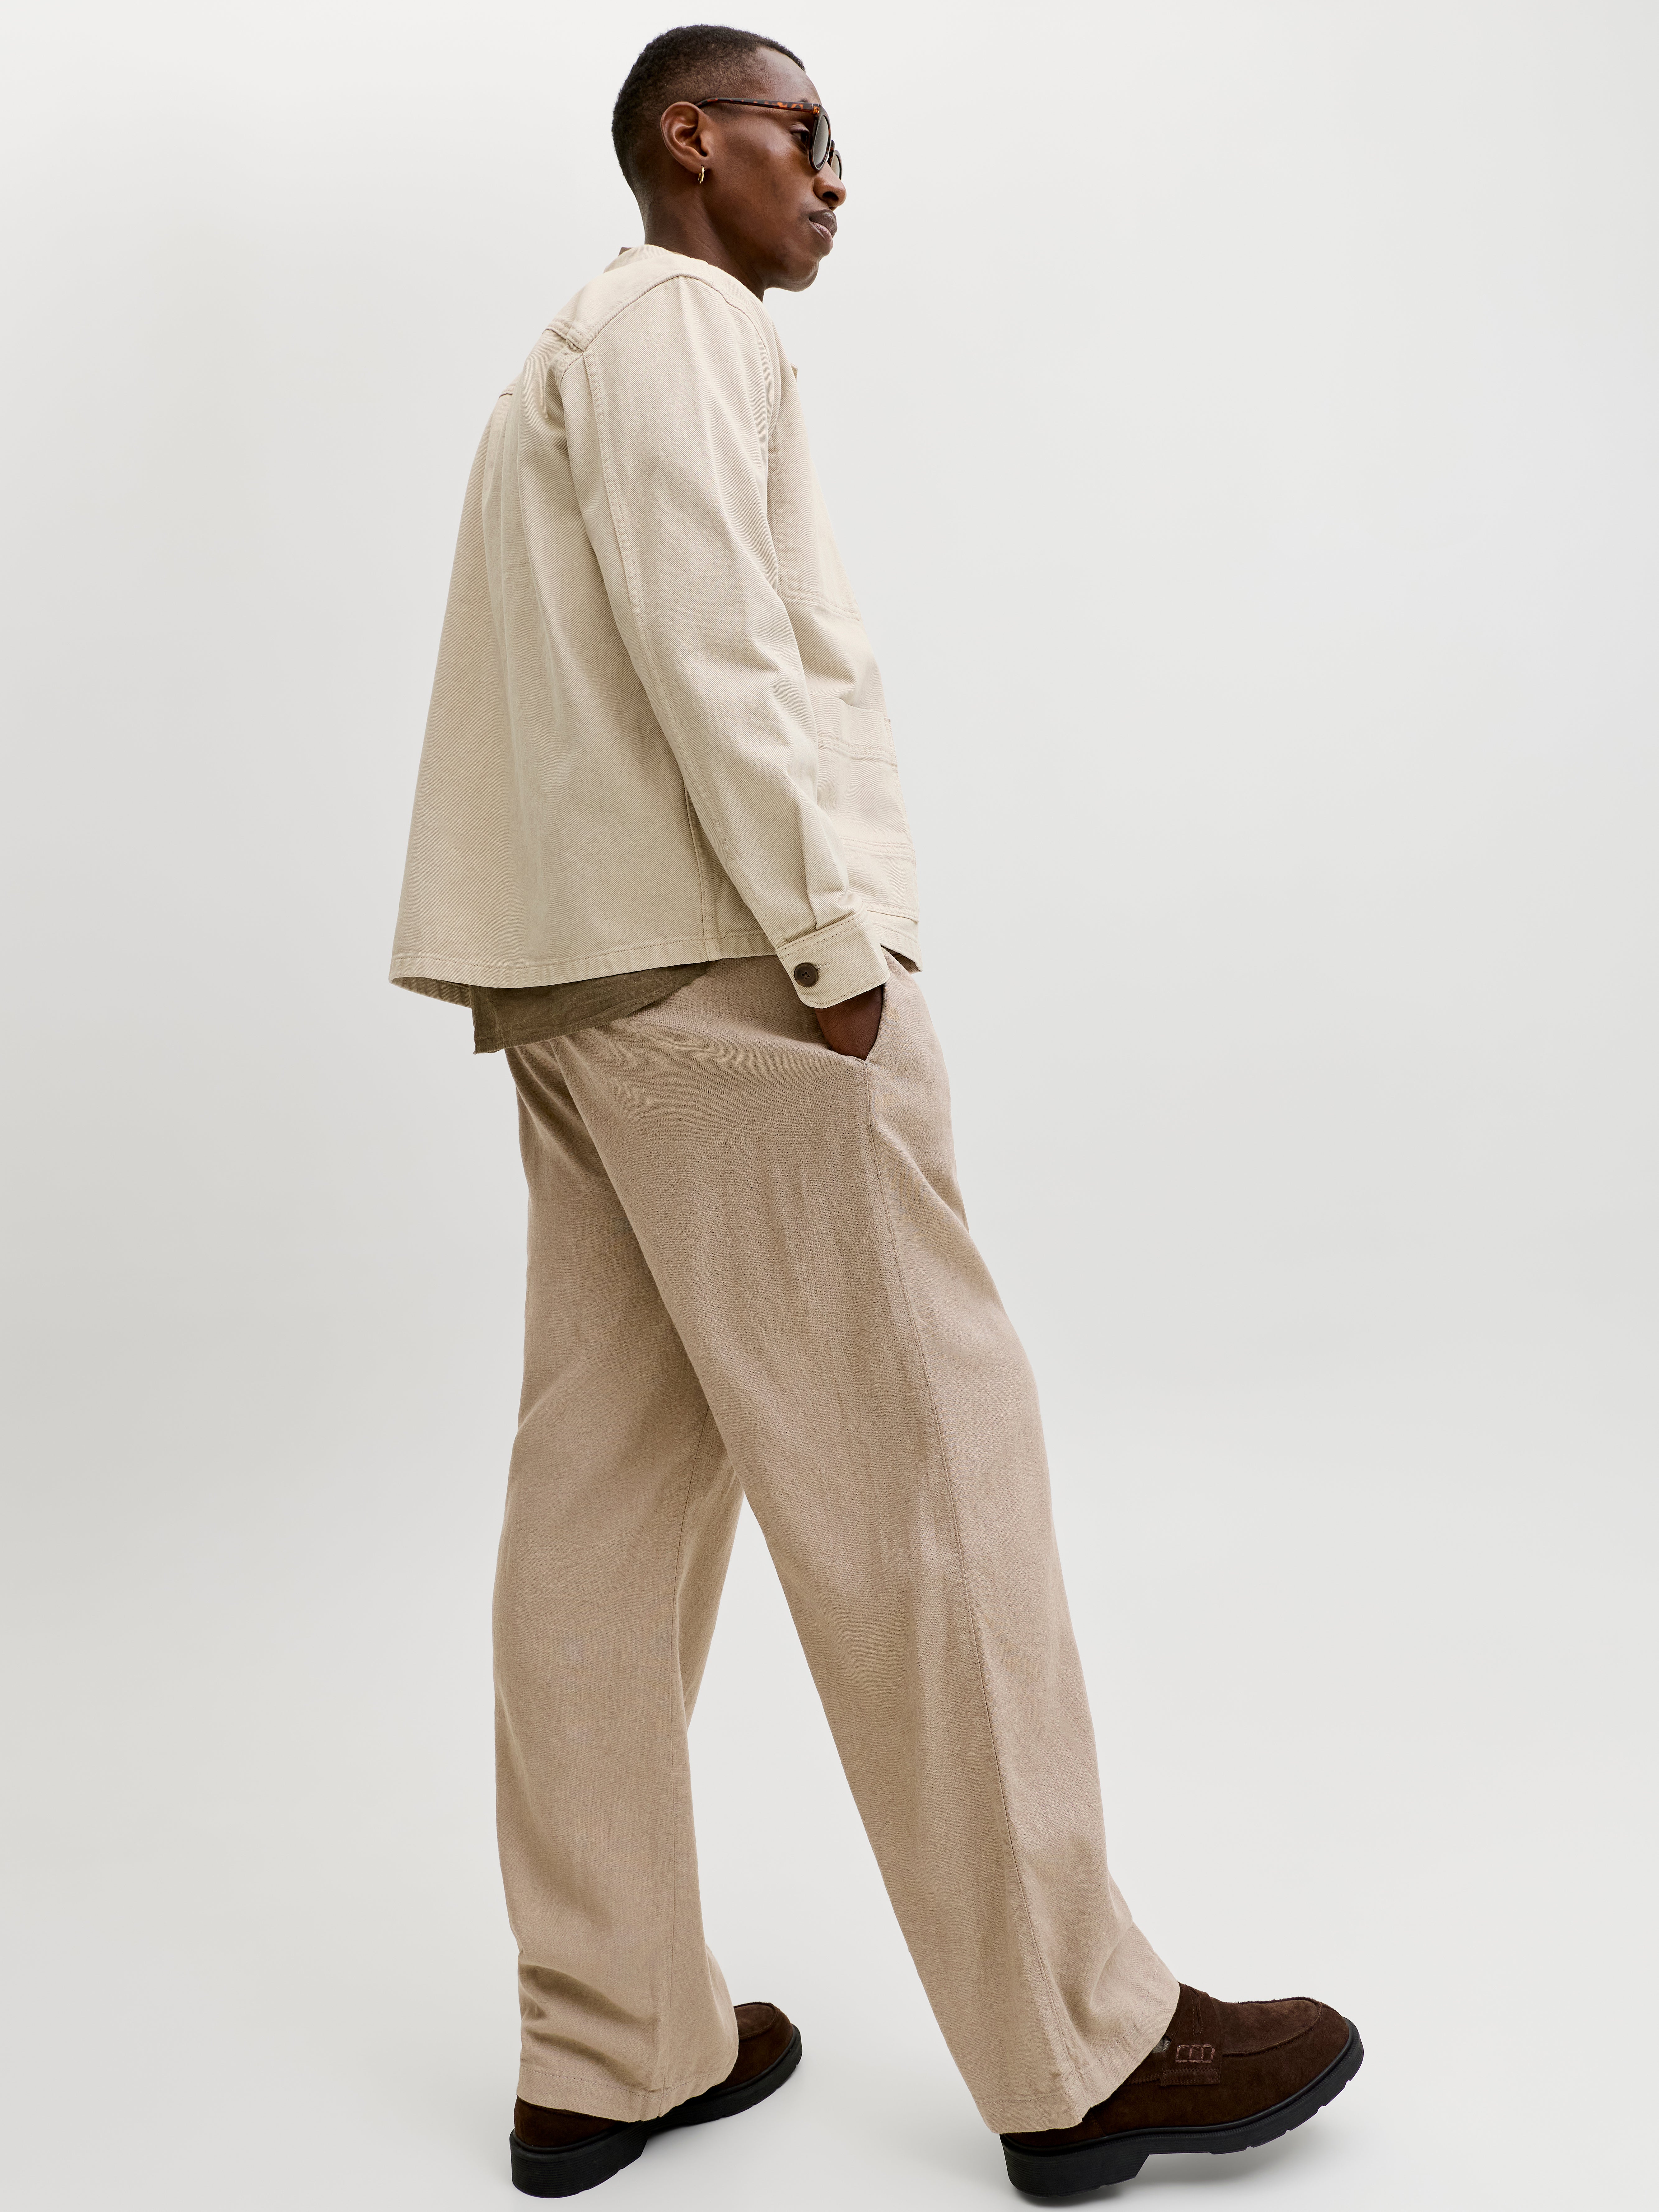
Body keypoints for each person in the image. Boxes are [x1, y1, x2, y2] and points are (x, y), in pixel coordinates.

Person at [390, 22, 1362, 2200]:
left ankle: (608, 2040)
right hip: (738, 975)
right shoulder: (678, 321)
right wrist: (834, 941)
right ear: (689, 139)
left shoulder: (568, 353)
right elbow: (714, 638)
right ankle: (1080, 2045)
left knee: (606, 1503)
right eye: (804, 134)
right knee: (932, 1465)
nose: (836, 176)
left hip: (580, 978)